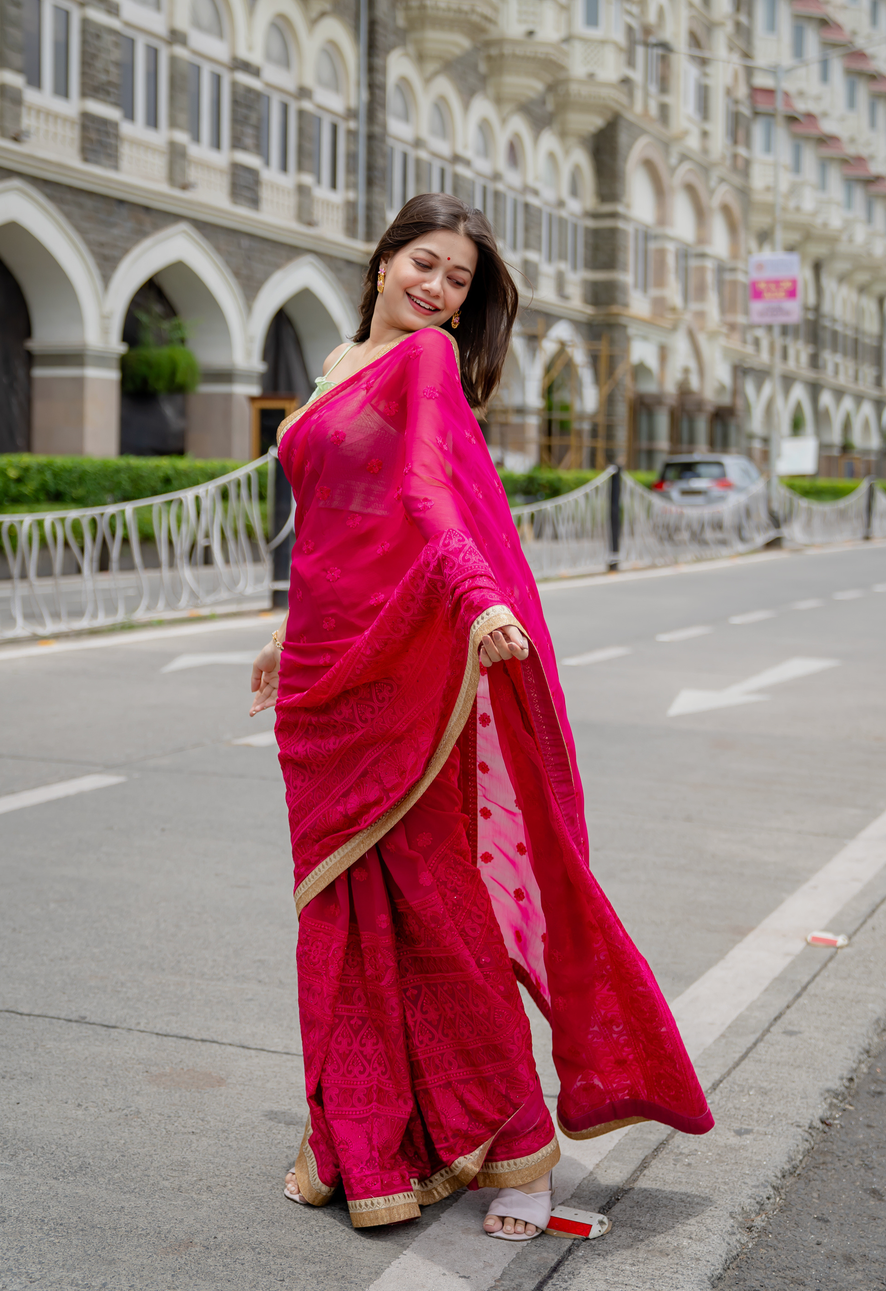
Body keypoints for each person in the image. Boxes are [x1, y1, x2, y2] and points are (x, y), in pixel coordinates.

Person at [250, 192, 712, 1242]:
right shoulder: (336, 366)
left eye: (457, 280)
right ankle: (368, 1138)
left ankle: (521, 1156)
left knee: (437, 909)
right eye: (424, 263)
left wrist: (474, 595)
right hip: (321, 676)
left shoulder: (426, 363)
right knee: (340, 918)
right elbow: (327, 522)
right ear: (383, 261)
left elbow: (426, 493)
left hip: (404, 666)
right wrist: (283, 629)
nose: (437, 288)